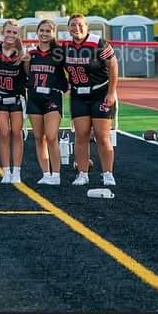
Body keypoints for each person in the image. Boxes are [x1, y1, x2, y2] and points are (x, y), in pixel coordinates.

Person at [64, 14, 118, 186]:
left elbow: (114, 66)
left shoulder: (98, 42)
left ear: (86, 26)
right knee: (81, 136)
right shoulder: (65, 47)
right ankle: (82, 173)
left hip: (100, 93)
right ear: (68, 28)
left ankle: (107, 173)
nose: (76, 28)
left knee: (102, 136)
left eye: (80, 25)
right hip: (79, 95)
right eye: (73, 25)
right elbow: (59, 69)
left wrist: (111, 93)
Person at [24, 19, 67, 186]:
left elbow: (68, 72)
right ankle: (46, 173)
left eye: (48, 31)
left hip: (52, 97)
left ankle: (56, 174)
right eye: (41, 30)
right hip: (34, 97)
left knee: (51, 136)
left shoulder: (58, 53)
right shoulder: (31, 53)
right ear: (37, 32)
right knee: (38, 138)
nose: (44, 33)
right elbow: (28, 73)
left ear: (53, 33)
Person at [0, 19, 27, 184]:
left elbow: (27, 75)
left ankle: (17, 171)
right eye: (8, 31)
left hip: (17, 97)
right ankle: (6, 171)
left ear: (18, 35)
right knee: (4, 133)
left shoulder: (22, 53)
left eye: (14, 32)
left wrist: (26, 60)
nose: (11, 35)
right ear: (2, 32)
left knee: (17, 133)